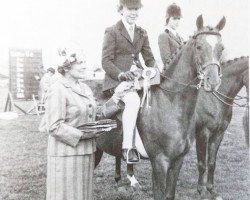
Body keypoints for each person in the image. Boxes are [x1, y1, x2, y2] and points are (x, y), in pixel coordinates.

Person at [39, 51, 131, 200]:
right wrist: (84, 134)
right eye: (80, 63)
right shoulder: (57, 89)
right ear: (67, 66)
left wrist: (117, 97)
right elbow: (54, 126)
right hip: (65, 157)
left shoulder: (85, 88)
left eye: (84, 62)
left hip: (86, 155)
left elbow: (97, 115)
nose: (84, 66)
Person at [101, 0, 156, 163]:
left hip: (138, 79)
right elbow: (105, 61)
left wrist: (154, 70)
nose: (134, 12)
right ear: (121, 10)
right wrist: (120, 75)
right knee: (133, 100)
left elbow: (150, 58)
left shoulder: (142, 32)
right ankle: (127, 148)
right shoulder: (112, 31)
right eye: (130, 9)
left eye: (136, 9)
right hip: (117, 81)